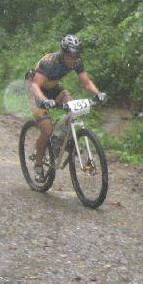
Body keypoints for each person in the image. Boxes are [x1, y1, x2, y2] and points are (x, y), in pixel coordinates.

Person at [26, 34, 107, 180]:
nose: (73, 59)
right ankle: (38, 165)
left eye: (76, 56)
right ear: (63, 54)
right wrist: (45, 101)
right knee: (46, 129)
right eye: (70, 56)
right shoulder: (49, 62)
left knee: (73, 107)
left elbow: (87, 82)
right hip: (36, 91)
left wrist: (98, 93)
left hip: (54, 88)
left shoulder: (77, 62)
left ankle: (59, 139)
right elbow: (35, 85)